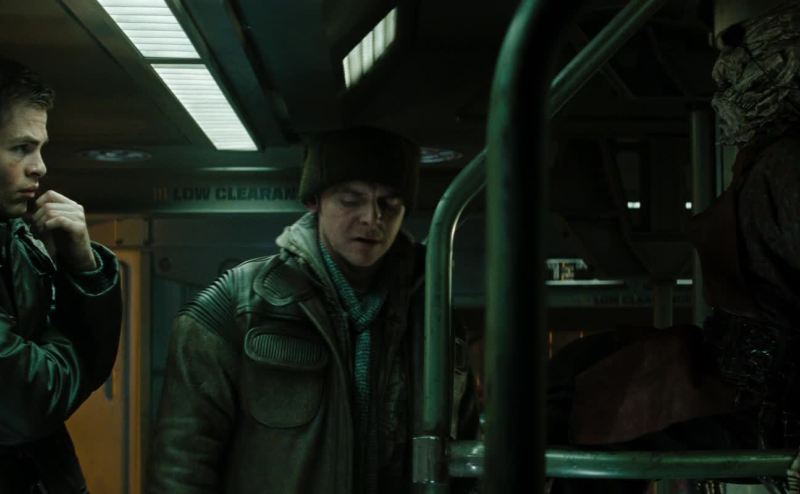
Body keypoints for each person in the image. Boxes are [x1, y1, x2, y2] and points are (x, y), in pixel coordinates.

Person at [547, 1, 800, 492]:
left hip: (768, 400)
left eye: (736, 46)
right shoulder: (768, 157)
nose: (722, 70)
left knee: (583, 397)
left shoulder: (786, 166)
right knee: (578, 377)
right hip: (742, 371)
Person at [149, 126, 477, 493]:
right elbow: (181, 463)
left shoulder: (432, 317)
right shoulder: (236, 306)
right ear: (314, 202)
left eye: (389, 203)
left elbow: (464, 457)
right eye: (350, 200)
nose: (372, 218)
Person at [0, 58, 123, 493]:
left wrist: (84, 265)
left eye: (39, 149)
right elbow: (30, 403)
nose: (40, 167)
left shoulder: (17, 239)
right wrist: (74, 338)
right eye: (21, 148)